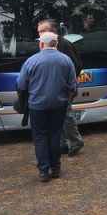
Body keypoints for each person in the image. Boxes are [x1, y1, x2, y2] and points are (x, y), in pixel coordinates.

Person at [17, 32, 77, 182]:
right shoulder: (66, 60)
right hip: (59, 104)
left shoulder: (31, 61)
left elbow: (21, 84)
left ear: (41, 44)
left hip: (37, 105)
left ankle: (43, 170)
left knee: (40, 136)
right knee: (55, 135)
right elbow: (72, 85)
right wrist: (66, 99)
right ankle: (56, 168)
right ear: (56, 43)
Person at [37, 19, 85, 156]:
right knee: (58, 117)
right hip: (54, 88)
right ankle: (62, 144)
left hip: (65, 88)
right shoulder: (43, 45)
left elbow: (76, 66)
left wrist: (70, 85)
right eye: (39, 31)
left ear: (53, 31)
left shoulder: (63, 45)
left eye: (43, 30)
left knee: (65, 115)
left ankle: (76, 141)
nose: (40, 34)